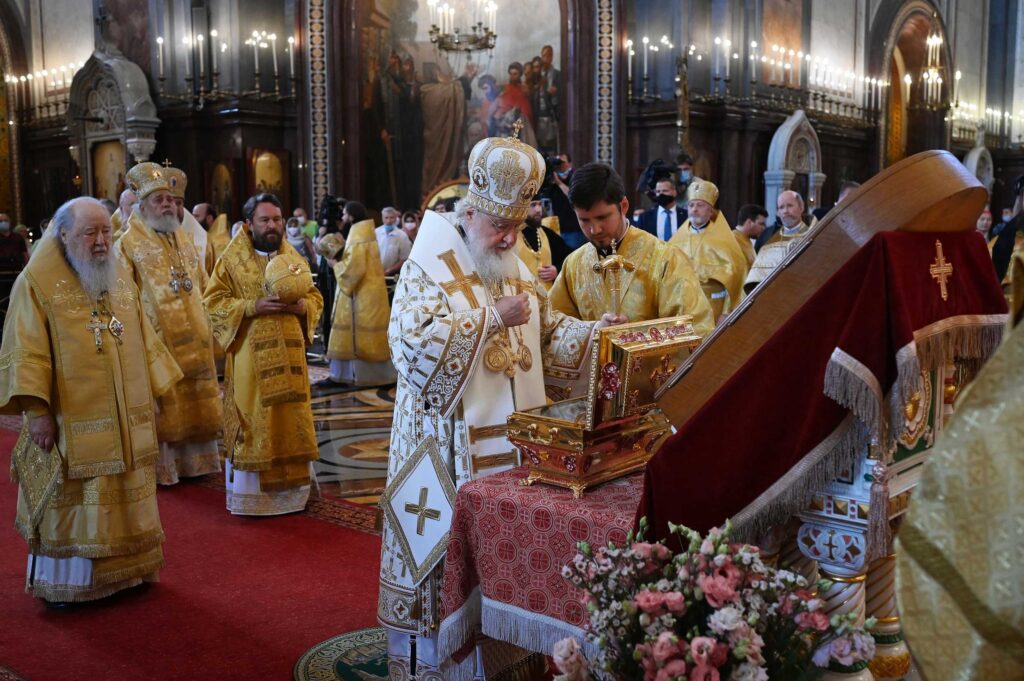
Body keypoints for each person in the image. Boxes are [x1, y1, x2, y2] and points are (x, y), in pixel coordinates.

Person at [378, 133, 621, 678]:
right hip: (445, 449)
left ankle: (506, 655)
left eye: (517, 225)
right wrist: (490, 318)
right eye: (499, 226)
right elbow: (409, 344)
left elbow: (547, 332)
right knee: (442, 557)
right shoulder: (429, 261)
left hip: (513, 445)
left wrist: (597, 336)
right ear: (470, 213)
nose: (511, 236)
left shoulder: (511, 262)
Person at [0, 197, 182, 603]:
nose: (102, 241)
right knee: (79, 500)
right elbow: (25, 350)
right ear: (63, 234)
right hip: (70, 422)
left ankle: (129, 574)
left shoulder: (116, 278)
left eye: (106, 231)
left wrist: (152, 390)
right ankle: (75, 586)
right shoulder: (36, 283)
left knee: (125, 491)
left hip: (125, 415)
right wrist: (37, 412)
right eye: (90, 232)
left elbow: (142, 335)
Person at [203, 193, 324, 515]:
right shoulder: (231, 260)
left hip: (291, 358)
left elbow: (316, 298)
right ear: (248, 224)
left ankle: (294, 496)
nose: (273, 226)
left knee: (292, 418)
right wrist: (251, 306)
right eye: (265, 220)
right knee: (256, 420)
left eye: (277, 219)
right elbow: (212, 303)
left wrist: (304, 307)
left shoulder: (292, 257)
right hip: (250, 363)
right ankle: (254, 501)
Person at [116, 162, 222, 486]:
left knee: (197, 398)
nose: (167, 204)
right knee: (167, 400)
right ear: (142, 205)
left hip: (196, 338)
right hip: (158, 342)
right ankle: (167, 469)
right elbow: (123, 297)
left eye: (170, 199)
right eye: (159, 199)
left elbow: (204, 286)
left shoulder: (185, 240)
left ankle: (199, 463)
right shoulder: (127, 244)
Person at [549, 163, 714, 337]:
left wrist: (634, 335)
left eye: (602, 217)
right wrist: (594, 330)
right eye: (584, 220)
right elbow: (552, 326)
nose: (594, 230)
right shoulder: (574, 264)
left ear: (624, 206)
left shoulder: (666, 258)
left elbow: (696, 327)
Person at [325, 211, 395, 386]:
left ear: (351, 215)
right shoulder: (365, 232)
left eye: (345, 213)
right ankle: (366, 375)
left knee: (360, 337)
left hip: (360, 296)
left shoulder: (358, 236)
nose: (342, 216)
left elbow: (353, 270)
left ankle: (358, 376)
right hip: (370, 293)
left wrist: (335, 265)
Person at [669, 180, 749, 319]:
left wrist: (726, 312)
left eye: (700, 205)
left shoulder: (724, 240)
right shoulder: (676, 240)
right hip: (683, 308)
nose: (694, 209)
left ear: (711, 210)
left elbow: (737, 277)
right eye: (691, 205)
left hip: (713, 307)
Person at [746, 190, 812, 292]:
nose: (785, 211)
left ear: (801, 207)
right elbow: (755, 283)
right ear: (778, 212)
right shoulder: (768, 240)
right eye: (781, 207)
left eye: (790, 206)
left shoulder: (813, 235)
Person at [516, 198, 569, 290]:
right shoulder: (510, 237)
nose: (538, 210)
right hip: (523, 299)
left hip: (550, 298)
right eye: (533, 205)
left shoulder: (547, 233)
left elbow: (569, 257)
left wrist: (557, 269)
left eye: (540, 204)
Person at [192, 202, 231, 271]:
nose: (192, 220)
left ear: (209, 218)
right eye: (192, 216)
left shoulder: (220, 242)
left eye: (196, 216)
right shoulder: (205, 236)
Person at [375, 206, 412, 276]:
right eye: (386, 218)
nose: (389, 221)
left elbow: (404, 258)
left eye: (391, 217)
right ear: (382, 218)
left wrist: (388, 271)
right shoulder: (376, 232)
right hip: (376, 273)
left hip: (392, 275)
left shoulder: (402, 236)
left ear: (396, 218)